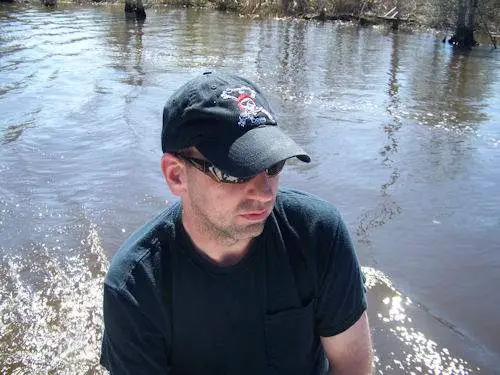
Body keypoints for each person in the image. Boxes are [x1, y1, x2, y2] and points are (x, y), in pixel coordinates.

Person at [100, 70, 373, 375]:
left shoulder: (319, 235)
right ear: (176, 175)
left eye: (273, 164)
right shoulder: (135, 289)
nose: (263, 191)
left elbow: (351, 363)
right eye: (234, 172)